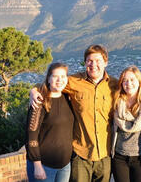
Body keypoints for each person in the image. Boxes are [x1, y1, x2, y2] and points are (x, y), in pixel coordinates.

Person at [30, 45, 118, 182]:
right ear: (85, 63)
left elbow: (133, 92)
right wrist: (34, 90)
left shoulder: (114, 85)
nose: (93, 64)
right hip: (80, 155)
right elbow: (52, 81)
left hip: (104, 155)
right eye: (89, 61)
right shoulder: (74, 81)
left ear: (106, 62)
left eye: (98, 60)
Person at [26, 62, 74, 182]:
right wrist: (37, 165)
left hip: (65, 166)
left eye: (63, 76)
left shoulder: (68, 98)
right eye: (55, 76)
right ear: (48, 78)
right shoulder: (40, 102)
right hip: (44, 166)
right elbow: (31, 136)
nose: (59, 80)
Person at [111, 66, 141, 182]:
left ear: (139, 82)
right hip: (120, 157)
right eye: (124, 80)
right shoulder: (116, 102)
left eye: (132, 79)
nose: (128, 83)